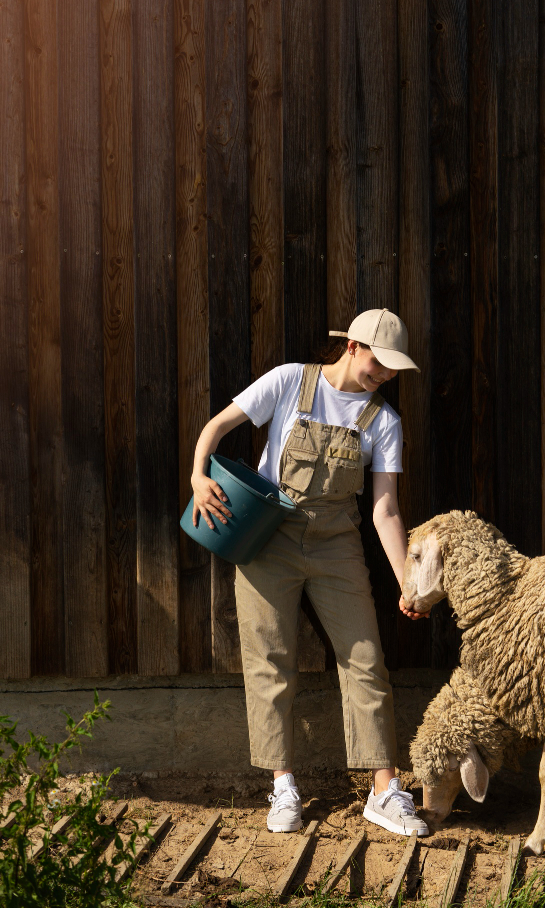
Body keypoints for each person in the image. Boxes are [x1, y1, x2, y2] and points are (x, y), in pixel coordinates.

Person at [190, 308, 429, 836]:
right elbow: (217, 426)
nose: (383, 375)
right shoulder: (290, 381)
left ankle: (383, 791)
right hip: (267, 535)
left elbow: (386, 510)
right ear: (352, 347)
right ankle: (283, 786)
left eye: (393, 369)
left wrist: (407, 583)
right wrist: (198, 476)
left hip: (337, 543)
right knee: (270, 659)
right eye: (378, 363)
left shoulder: (384, 421)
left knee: (365, 660)